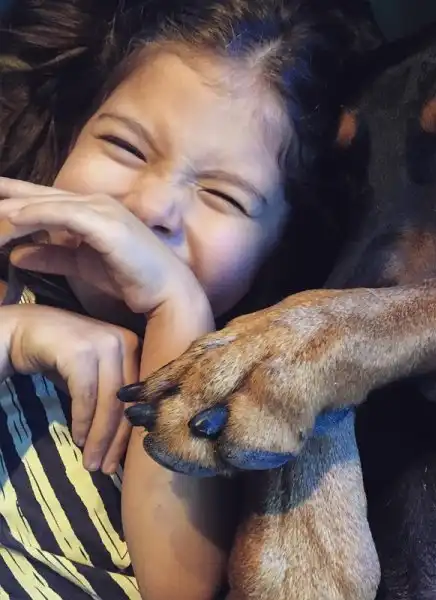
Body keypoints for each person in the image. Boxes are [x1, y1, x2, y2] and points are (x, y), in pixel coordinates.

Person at [0, 0, 378, 598]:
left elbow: (178, 589)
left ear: (279, 247)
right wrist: (13, 335)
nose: (151, 208)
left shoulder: (246, 402)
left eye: (225, 197)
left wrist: (176, 311)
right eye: (125, 146)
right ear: (71, 133)